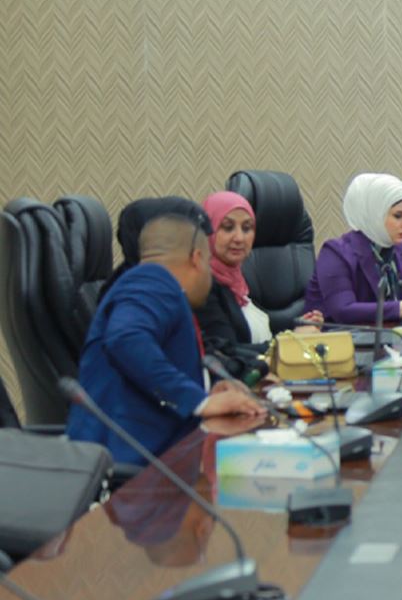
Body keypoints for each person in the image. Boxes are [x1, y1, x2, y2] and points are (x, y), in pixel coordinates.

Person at [65, 213, 266, 464]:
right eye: (208, 263)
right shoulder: (153, 282)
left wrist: (208, 388)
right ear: (196, 258)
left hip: (152, 455)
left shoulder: (152, 285)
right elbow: (126, 339)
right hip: (130, 465)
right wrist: (199, 401)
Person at [303, 173, 402, 325]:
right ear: (374, 214)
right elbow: (343, 311)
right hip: (341, 337)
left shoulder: (401, 249)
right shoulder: (336, 253)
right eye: (398, 216)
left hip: (392, 334)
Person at [198, 191, 276, 346]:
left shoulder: (240, 281)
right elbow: (229, 352)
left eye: (247, 228)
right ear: (208, 231)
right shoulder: (203, 287)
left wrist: (298, 333)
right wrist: (288, 344)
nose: (239, 238)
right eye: (228, 227)